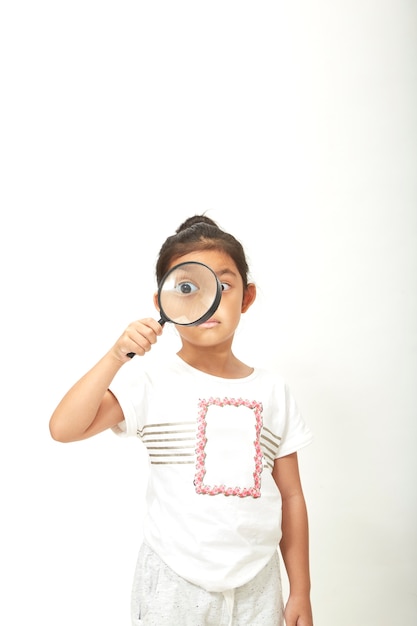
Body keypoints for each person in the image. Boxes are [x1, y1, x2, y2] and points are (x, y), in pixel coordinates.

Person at [49, 215, 314, 626]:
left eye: (223, 286)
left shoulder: (273, 390)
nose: (206, 301)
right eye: (186, 288)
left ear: (247, 297)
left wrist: (301, 590)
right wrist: (116, 355)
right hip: (173, 580)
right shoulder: (150, 382)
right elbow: (64, 428)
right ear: (162, 304)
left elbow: (292, 497)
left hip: (258, 583)